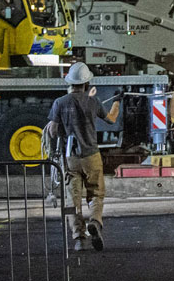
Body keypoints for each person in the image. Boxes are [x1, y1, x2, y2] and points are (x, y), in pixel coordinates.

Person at [45, 62, 120, 252]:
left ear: (70, 82)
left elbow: (53, 132)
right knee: (96, 194)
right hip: (92, 156)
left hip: (71, 158)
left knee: (73, 199)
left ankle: (79, 238)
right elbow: (111, 119)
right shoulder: (93, 102)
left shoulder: (59, 103)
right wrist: (117, 102)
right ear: (87, 83)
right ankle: (95, 221)